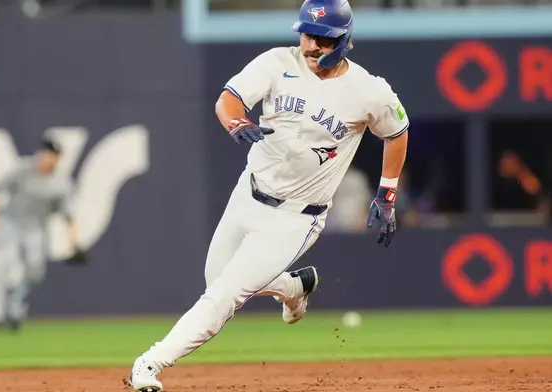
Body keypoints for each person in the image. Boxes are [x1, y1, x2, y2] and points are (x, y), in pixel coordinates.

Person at [129, 0, 409, 390]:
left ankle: (149, 364)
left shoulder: (368, 91)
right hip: (249, 193)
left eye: (323, 39)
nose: (311, 45)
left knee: (225, 295)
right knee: (216, 280)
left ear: (345, 41)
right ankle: (292, 287)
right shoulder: (278, 63)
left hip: (297, 217)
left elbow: (397, 131)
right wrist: (235, 122)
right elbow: (227, 100)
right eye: (307, 34)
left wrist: (387, 193)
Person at [0, 138, 86, 332]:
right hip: (11, 222)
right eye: (44, 153)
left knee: (35, 272)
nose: (46, 158)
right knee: (4, 263)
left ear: (57, 159)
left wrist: (75, 244)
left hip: (36, 227)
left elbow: (68, 216)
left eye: (51, 155)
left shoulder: (61, 182)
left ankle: (16, 309)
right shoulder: (22, 169)